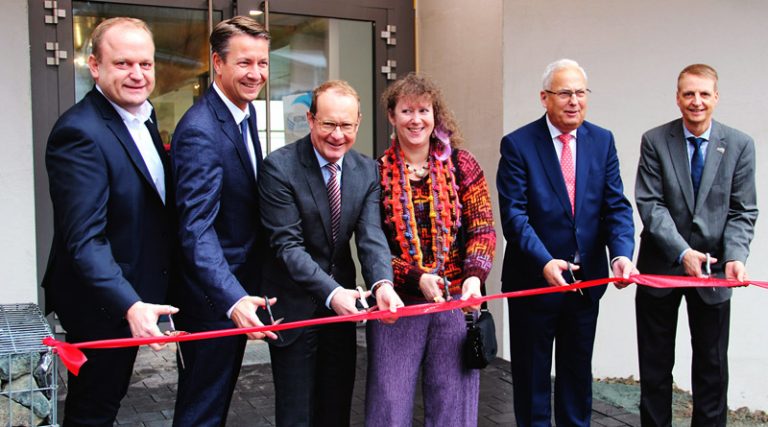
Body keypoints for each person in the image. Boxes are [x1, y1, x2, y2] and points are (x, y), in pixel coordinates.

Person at [42, 17, 177, 425]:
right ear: (95, 66)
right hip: (100, 302)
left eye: (146, 64)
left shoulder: (142, 118)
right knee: (93, 407)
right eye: (123, 64)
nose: (137, 75)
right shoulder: (79, 133)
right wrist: (130, 304)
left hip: (135, 289)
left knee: (109, 398)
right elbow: (84, 240)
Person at [497, 58, 636, 426]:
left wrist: (621, 254)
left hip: (585, 284)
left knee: (576, 382)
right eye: (564, 93)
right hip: (533, 283)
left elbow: (615, 206)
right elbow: (515, 217)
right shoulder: (517, 145)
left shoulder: (602, 141)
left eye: (580, 93)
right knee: (532, 385)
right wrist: (544, 261)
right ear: (544, 97)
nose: (574, 101)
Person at [258, 80, 404, 426]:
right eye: (328, 124)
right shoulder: (279, 168)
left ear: (359, 123)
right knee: (296, 415)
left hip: (341, 315)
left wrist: (383, 283)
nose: (337, 135)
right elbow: (287, 246)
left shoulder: (367, 169)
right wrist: (332, 292)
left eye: (346, 125)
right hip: (294, 309)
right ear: (310, 120)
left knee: (335, 411)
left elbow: (371, 236)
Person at [365, 72, 496, 426]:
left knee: (453, 405)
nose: (416, 120)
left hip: (454, 301)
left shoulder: (462, 164)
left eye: (424, 110)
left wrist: (473, 278)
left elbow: (482, 228)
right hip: (397, 305)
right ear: (391, 117)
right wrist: (415, 277)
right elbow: (372, 245)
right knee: (388, 405)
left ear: (435, 115)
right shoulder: (373, 174)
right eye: (406, 111)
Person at [635, 64, 758, 427]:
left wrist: (736, 257)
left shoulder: (739, 145)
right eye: (689, 93)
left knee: (712, 371)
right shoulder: (655, 141)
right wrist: (682, 252)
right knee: (655, 370)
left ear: (716, 97)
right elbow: (650, 205)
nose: (696, 101)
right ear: (677, 98)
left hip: (716, 272)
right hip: (662, 267)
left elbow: (742, 210)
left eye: (704, 93)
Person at [170, 16, 277, 426]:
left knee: (211, 406)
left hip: (234, 289)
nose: (256, 74)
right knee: (202, 410)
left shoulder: (242, 115)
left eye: (263, 63)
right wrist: (232, 298)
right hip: (211, 300)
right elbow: (196, 228)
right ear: (218, 62)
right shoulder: (201, 129)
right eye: (244, 63)